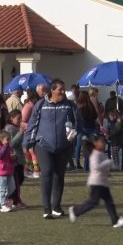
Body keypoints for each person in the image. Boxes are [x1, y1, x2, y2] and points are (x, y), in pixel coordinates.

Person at [24, 78, 76, 219]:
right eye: (60, 89)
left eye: (64, 89)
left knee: (59, 175)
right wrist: (27, 142)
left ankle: (56, 207)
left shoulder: (70, 106)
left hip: (63, 147)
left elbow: (78, 123)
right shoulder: (41, 105)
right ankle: (46, 209)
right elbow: (32, 124)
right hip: (43, 145)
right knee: (47, 173)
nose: (63, 92)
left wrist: (74, 134)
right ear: (52, 90)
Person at [69, 133, 123, 228]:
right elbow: (96, 167)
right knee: (94, 202)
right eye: (101, 142)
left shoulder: (100, 153)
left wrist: (109, 170)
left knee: (109, 202)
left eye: (104, 142)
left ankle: (115, 221)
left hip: (102, 183)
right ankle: (75, 211)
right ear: (95, 143)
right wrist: (108, 163)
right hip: (96, 183)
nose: (104, 144)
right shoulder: (95, 154)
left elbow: (103, 167)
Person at [4, 109, 27, 208]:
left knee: (20, 179)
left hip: (19, 158)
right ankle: (16, 200)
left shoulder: (15, 127)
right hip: (14, 160)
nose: (20, 120)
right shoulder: (9, 128)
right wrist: (21, 132)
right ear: (11, 118)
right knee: (16, 180)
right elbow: (11, 144)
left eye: (21, 118)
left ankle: (12, 197)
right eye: (18, 118)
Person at [0, 130, 16, 213]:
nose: (8, 141)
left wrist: (13, 158)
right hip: (1, 171)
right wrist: (5, 146)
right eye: (7, 139)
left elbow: (10, 158)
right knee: (2, 188)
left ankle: (2, 198)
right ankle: (3, 205)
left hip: (9, 170)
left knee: (12, 187)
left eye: (9, 139)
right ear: (1, 139)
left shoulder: (9, 148)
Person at [75, 91, 98, 170]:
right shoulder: (90, 105)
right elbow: (95, 115)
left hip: (81, 129)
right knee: (90, 146)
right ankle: (89, 162)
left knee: (78, 146)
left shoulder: (78, 107)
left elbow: (78, 119)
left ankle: (77, 162)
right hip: (91, 127)